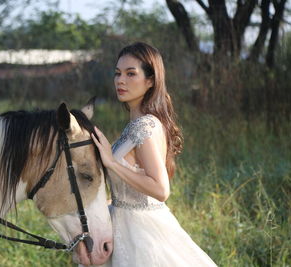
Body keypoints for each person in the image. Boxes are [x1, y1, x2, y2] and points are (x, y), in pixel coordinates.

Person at [90, 42, 217, 266]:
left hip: (141, 233)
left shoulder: (144, 127)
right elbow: (128, 191)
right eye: (118, 73)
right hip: (122, 223)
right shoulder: (135, 125)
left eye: (131, 74)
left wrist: (111, 163)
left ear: (150, 81)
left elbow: (160, 189)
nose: (121, 80)